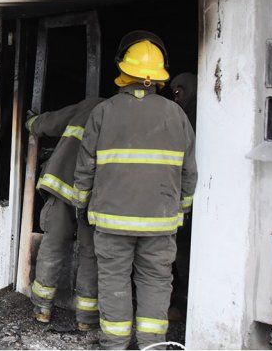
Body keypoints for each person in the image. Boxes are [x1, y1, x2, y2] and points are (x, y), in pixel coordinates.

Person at [73, 31, 197, 349]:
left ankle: (115, 344)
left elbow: (85, 168)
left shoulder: (104, 112)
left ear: (123, 72)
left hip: (112, 220)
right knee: (156, 280)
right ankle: (152, 344)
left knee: (114, 278)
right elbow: (189, 173)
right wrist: (178, 209)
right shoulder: (177, 114)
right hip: (160, 223)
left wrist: (81, 205)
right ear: (159, 77)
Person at [26, 97, 104, 331]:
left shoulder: (90, 105)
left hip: (62, 185)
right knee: (91, 254)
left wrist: (31, 122)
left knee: (53, 244)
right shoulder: (124, 117)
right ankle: (86, 319)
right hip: (93, 195)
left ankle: (42, 308)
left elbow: (51, 122)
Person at [169, 72, 197, 317]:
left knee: (183, 250)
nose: (176, 98)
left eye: (179, 92)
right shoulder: (183, 116)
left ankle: (183, 302)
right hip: (184, 196)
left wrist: (184, 207)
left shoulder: (190, 118)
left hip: (188, 196)